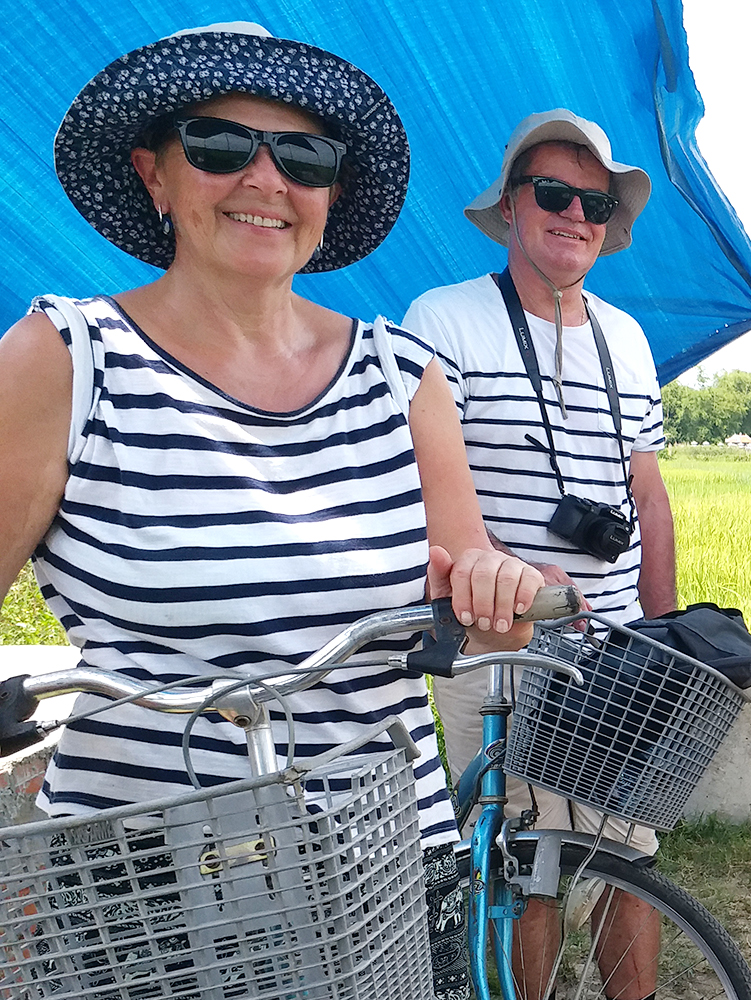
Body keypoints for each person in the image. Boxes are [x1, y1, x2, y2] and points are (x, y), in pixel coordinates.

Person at [0, 21, 542, 996]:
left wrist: (500, 592)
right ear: (155, 175)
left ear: (328, 193)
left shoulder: (404, 377)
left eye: (303, 156)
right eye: (219, 144)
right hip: (142, 874)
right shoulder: (66, 359)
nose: (265, 178)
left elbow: (475, 609)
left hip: (380, 856)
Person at [403, 109, 676, 995]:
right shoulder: (444, 318)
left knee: (632, 852)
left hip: (616, 642)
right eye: (554, 193)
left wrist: (666, 627)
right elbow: (425, 481)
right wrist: (511, 572)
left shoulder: (627, 337)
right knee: (527, 858)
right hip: (499, 640)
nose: (575, 215)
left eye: (594, 203)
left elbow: (648, 494)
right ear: (512, 206)